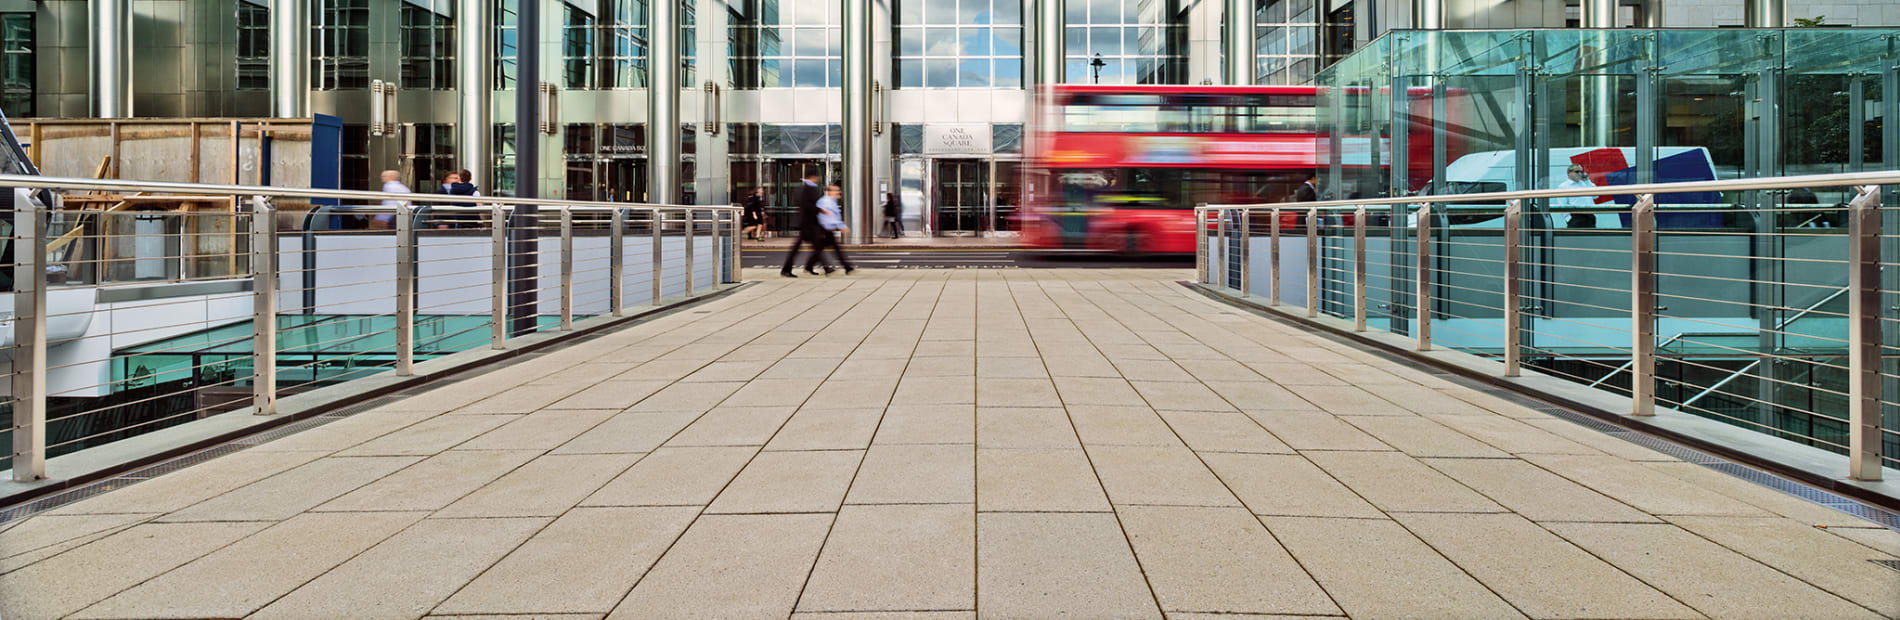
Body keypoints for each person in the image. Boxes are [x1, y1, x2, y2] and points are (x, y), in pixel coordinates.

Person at [780, 171, 825, 277]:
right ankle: (787, 269)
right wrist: (820, 210)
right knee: (801, 248)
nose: (817, 180)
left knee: (816, 247)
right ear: (812, 177)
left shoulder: (804, 188)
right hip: (807, 223)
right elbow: (806, 205)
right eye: (816, 178)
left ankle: (811, 267)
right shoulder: (806, 189)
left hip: (808, 222)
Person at [805, 184, 855, 275]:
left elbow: (835, 216)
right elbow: (828, 217)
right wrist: (840, 226)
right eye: (836, 190)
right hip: (823, 230)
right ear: (829, 192)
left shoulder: (831, 201)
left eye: (838, 190)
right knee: (821, 250)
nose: (838, 192)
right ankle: (845, 267)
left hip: (827, 230)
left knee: (826, 250)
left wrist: (839, 226)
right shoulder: (826, 202)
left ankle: (847, 267)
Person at [1555, 164, 1599, 228]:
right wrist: (1569, 219)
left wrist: (1587, 181)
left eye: (1581, 172)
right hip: (1576, 217)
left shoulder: (1585, 183)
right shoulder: (1563, 186)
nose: (1579, 174)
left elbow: (1596, 195)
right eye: (1577, 171)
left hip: (1590, 216)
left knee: (1591, 237)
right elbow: (1562, 205)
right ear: (1569, 173)